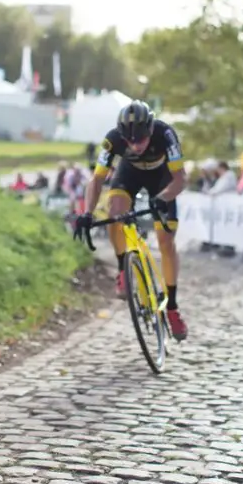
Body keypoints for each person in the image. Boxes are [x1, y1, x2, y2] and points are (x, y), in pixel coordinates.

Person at [73, 101, 189, 340]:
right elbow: (96, 181)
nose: (135, 146)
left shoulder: (165, 134)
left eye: (141, 140)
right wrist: (86, 213)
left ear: (150, 129)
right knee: (115, 211)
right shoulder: (113, 139)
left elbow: (180, 179)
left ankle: (173, 307)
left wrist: (163, 197)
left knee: (166, 242)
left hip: (163, 178)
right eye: (130, 141)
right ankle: (123, 269)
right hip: (130, 174)